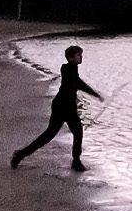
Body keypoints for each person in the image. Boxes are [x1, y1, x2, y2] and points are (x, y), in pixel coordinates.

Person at [11, 44, 103, 173]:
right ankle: (20, 154)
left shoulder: (73, 68)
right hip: (62, 107)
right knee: (50, 135)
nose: (81, 57)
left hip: (68, 106)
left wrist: (95, 94)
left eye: (81, 55)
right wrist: (95, 94)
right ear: (71, 58)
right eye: (79, 55)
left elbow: (78, 83)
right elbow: (77, 83)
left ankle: (76, 161)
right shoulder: (66, 68)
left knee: (77, 132)